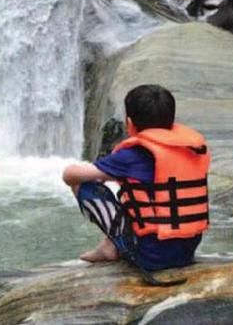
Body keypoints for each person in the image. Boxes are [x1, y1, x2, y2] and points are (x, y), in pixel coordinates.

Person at [62, 84, 210, 272]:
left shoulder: (131, 156)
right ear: (171, 122)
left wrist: (105, 174)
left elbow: (70, 175)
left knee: (83, 184)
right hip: (186, 252)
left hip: (150, 256)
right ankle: (108, 246)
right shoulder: (190, 150)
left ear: (130, 123)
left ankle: (111, 248)